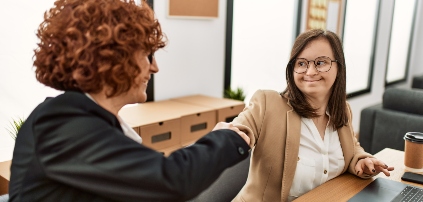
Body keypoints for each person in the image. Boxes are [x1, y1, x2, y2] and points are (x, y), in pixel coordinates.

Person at [8, 0, 250, 201]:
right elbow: (170, 180)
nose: (155, 67)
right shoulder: (60, 123)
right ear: (112, 58)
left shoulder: (92, 121)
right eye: (147, 55)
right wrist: (225, 139)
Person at [230, 29, 394, 202]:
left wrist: (361, 161)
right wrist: (231, 137)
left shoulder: (342, 109)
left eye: (321, 62)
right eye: (301, 63)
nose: (310, 72)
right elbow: (240, 128)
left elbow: (352, 148)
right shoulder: (268, 103)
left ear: (339, 67)